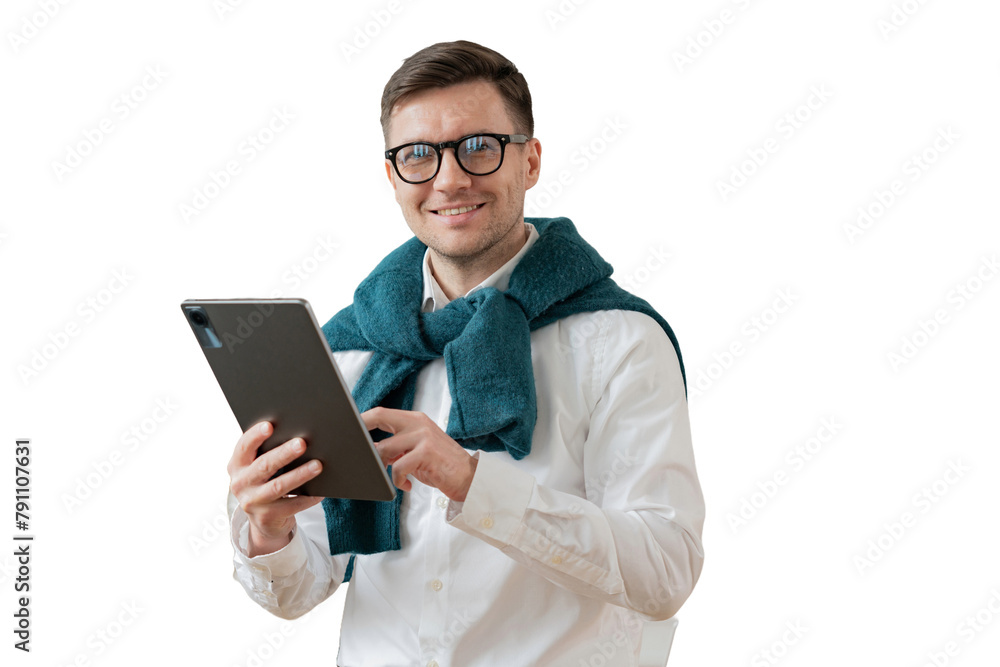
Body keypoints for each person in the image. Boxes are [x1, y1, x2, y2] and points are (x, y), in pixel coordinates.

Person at [227, 40, 704, 667]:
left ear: (530, 161)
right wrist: (268, 529)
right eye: (418, 155)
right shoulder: (349, 348)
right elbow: (302, 587)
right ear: (394, 175)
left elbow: (664, 573)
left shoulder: (619, 340)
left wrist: (472, 482)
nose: (449, 178)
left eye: (479, 146)